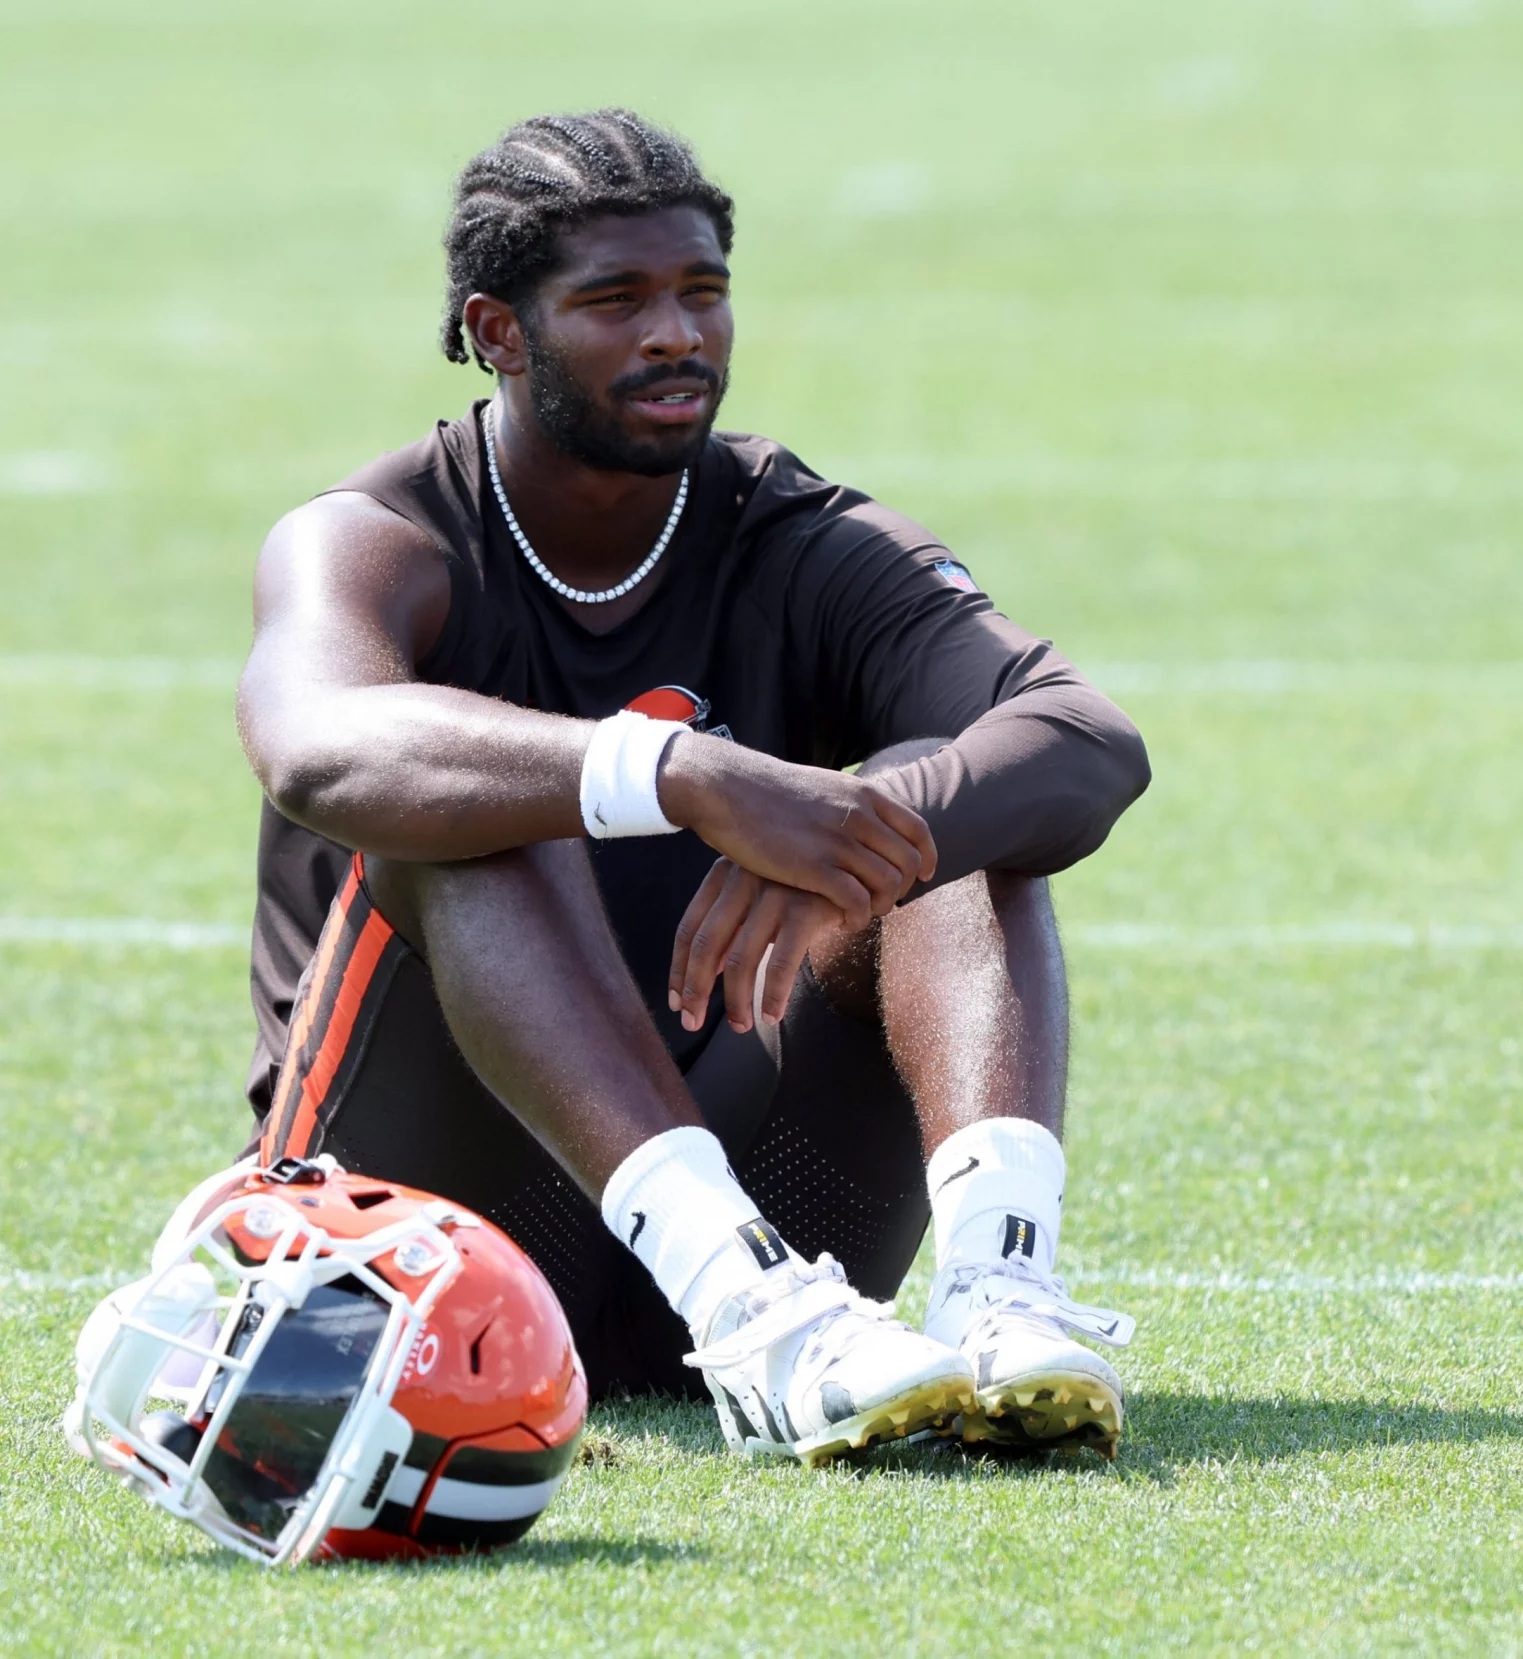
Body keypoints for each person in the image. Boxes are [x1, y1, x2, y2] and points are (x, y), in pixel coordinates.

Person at [235, 108, 1150, 1466]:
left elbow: (1085, 738)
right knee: (491, 810)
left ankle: (997, 1290)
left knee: (931, 804)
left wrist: (854, 831)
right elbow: (319, 741)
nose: (677, 335)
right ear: (497, 331)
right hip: (432, 1246)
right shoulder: (376, 536)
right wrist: (674, 771)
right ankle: (756, 1317)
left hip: (772, 1214)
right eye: (616, 301)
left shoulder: (786, 530)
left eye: (702, 293)